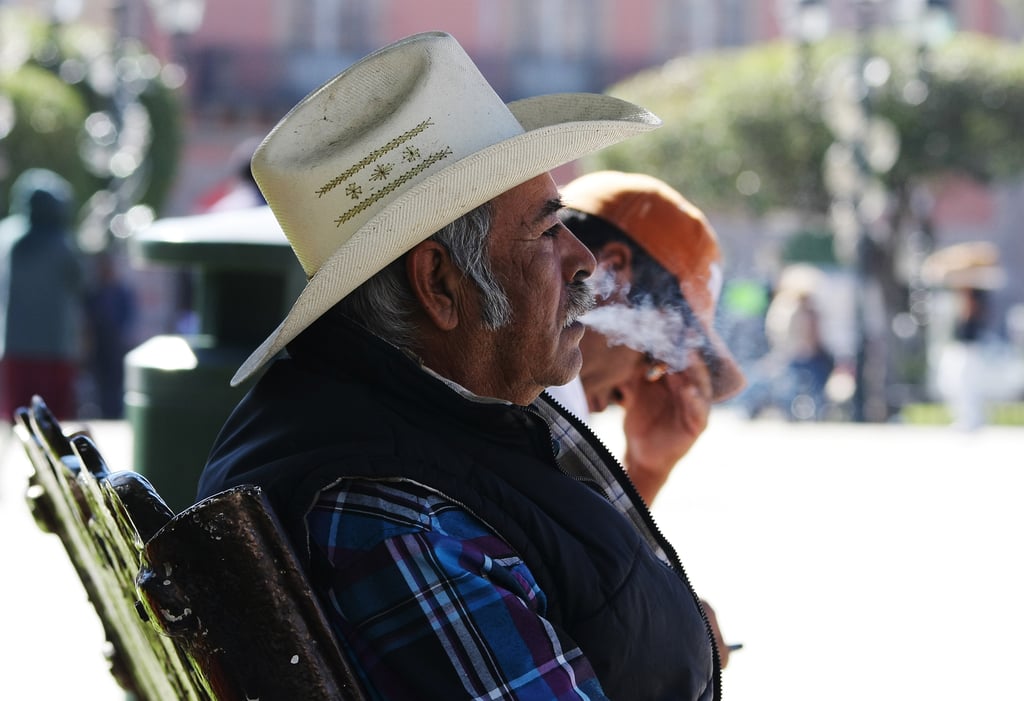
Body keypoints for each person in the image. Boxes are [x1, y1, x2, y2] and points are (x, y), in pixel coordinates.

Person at [197, 33, 719, 700]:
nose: (583, 258)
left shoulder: (420, 414)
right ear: (441, 284)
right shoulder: (394, 515)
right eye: (546, 230)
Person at [548, 171, 746, 506]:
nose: (632, 394)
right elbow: (587, 556)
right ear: (612, 274)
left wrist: (645, 470)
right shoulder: (545, 397)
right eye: (654, 359)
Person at [0, 168, 83, 420]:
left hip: (16, 345)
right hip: (55, 347)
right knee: (53, 421)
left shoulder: (10, 238)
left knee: (19, 418)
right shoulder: (63, 245)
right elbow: (80, 282)